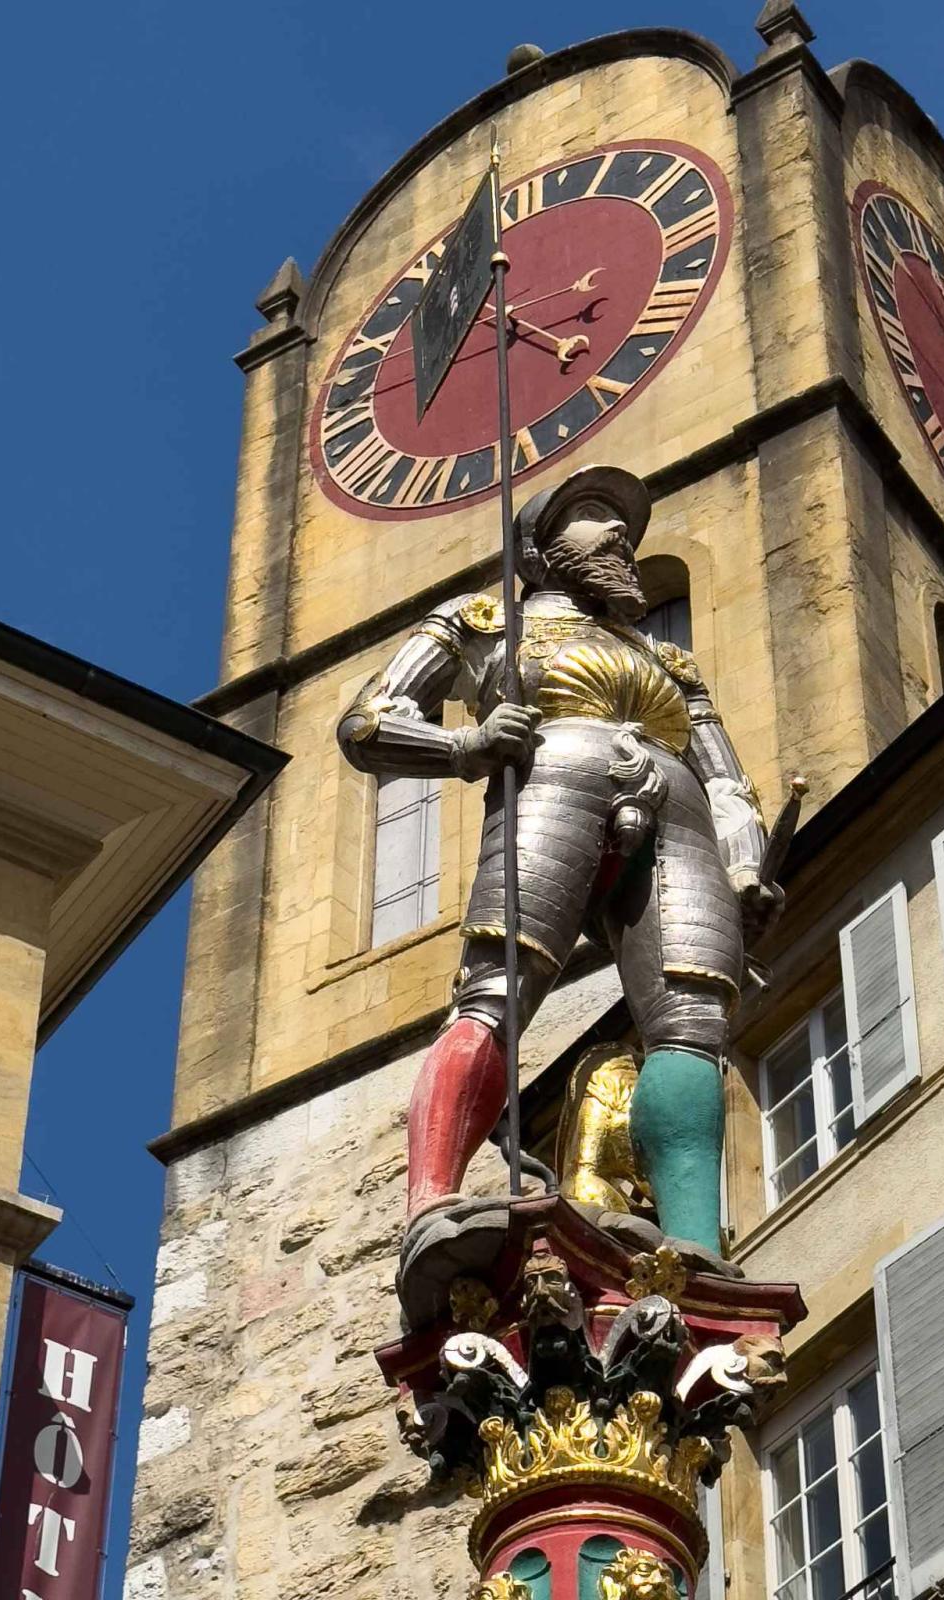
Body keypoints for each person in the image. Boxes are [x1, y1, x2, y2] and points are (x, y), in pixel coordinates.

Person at [338, 465, 778, 1264]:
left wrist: (745, 861)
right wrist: (465, 745)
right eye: (591, 515)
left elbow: (727, 780)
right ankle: (430, 1202)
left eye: (624, 521)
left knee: (692, 1023)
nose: (618, 532)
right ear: (539, 549)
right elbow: (369, 722)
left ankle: (691, 1238)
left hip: (678, 812)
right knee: (499, 987)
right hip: (553, 776)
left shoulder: (672, 665)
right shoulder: (482, 622)